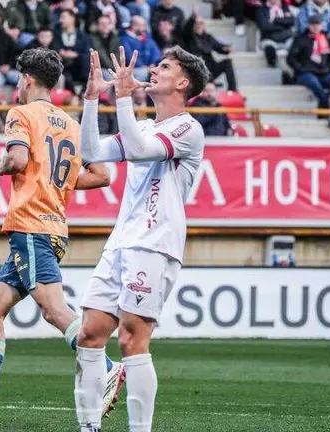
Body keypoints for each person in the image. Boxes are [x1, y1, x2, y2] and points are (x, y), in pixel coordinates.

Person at [0, 48, 122, 431]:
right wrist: (56, 182)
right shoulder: (71, 124)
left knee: (54, 310)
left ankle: (107, 366)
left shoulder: (21, 115)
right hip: (53, 228)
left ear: (26, 79)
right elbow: (103, 175)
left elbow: (19, 161)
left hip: (31, 226)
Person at [74, 45, 209, 432]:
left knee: (132, 340)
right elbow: (91, 151)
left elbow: (135, 151)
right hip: (120, 242)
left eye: (164, 67)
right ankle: (88, 427)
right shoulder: (146, 125)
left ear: (182, 83)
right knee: (89, 333)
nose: (154, 70)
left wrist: (122, 96)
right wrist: (91, 99)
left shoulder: (188, 128)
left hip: (155, 244)